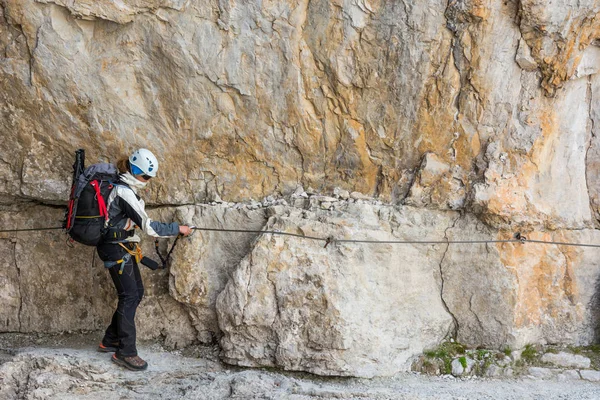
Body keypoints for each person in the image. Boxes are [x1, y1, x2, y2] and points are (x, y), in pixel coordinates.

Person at [95, 148, 192, 371]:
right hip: (116, 249)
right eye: (146, 177)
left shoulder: (123, 186)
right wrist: (178, 228)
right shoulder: (124, 192)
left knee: (135, 294)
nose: (147, 181)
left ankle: (110, 340)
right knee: (129, 296)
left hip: (120, 248)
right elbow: (148, 227)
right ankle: (126, 352)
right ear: (136, 171)